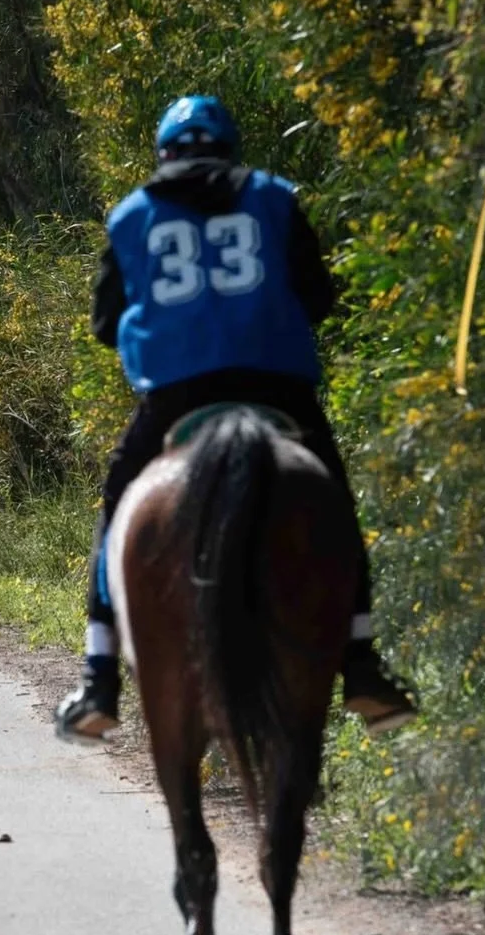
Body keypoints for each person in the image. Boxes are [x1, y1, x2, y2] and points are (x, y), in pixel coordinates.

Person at [55, 94, 417, 743]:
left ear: (163, 154)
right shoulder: (274, 196)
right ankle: (361, 664)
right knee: (333, 501)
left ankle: (99, 678)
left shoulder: (132, 214)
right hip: (276, 388)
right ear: (230, 150)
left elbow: (105, 325)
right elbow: (318, 298)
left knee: (116, 506)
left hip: (176, 395)